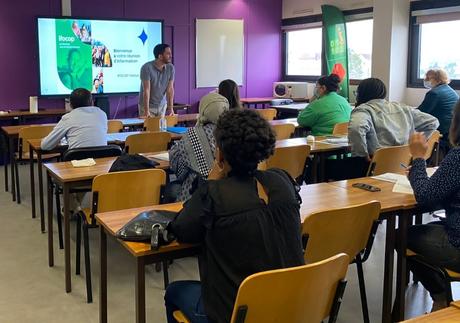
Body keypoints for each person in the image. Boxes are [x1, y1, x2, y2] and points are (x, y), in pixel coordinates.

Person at [164, 109, 305, 323]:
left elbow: (182, 230)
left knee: (174, 292)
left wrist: (211, 180)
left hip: (238, 313)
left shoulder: (213, 194)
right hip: (291, 307)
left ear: (220, 153)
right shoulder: (282, 181)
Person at [406, 100, 460, 312]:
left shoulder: (457, 157)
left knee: (402, 235)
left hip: (457, 243)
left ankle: (440, 297)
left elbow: (426, 196)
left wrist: (419, 159)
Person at [336, 77, 439, 179]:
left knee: (325, 168)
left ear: (362, 93)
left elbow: (356, 129)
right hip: (401, 166)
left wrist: (361, 154)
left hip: (371, 166)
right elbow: (433, 122)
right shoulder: (402, 108)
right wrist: (416, 141)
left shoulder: (363, 110)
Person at [169, 93, 230, 201]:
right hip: (228, 194)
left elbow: (180, 171)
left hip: (196, 196)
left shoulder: (192, 134)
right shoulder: (233, 133)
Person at [41, 88, 107, 150]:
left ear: (70, 104)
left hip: (78, 161)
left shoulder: (68, 118)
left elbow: (45, 146)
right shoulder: (102, 114)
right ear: (92, 102)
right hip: (103, 159)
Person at [418, 69, 459, 157]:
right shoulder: (450, 90)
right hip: (452, 129)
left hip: (442, 130)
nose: (425, 80)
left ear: (438, 79)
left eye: (428, 78)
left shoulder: (434, 93)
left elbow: (421, 112)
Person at [138, 43, 175, 117]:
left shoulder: (171, 68)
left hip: (162, 105)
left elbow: (170, 89)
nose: (171, 56)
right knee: (150, 128)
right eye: (168, 54)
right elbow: (146, 90)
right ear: (160, 56)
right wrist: (146, 110)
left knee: (162, 128)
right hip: (147, 106)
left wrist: (171, 109)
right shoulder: (146, 68)